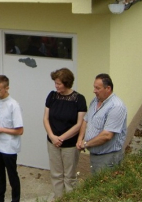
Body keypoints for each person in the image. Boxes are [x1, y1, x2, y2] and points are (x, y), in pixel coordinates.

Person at [43, 68, 87, 198]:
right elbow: (45, 118)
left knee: (69, 176)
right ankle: (58, 198)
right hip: (52, 142)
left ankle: (70, 199)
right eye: (55, 83)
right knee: (56, 174)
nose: (56, 86)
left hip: (70, 145)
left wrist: (61, 138)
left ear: (67, 83)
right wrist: (52, 136)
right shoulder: (52, 96)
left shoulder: (79, 99)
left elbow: (79, 124)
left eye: (59, 83)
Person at [76, 73, 127, 173]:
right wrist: (80, 139)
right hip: (95, 155)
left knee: (106, 186)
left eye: (97, 88)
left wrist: (86, 144)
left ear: (108, 88)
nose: (94, 91)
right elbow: (86, 120)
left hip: (108, 157)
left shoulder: (116, 106)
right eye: (94, 87)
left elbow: (107, 135)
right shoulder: (95, 101)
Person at [0, 75, 24, 202]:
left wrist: (1, 129)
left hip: (9, 147)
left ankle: (15, 199)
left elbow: (20, 130)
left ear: (7, 88)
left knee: (12, 175)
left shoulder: (14, 105)